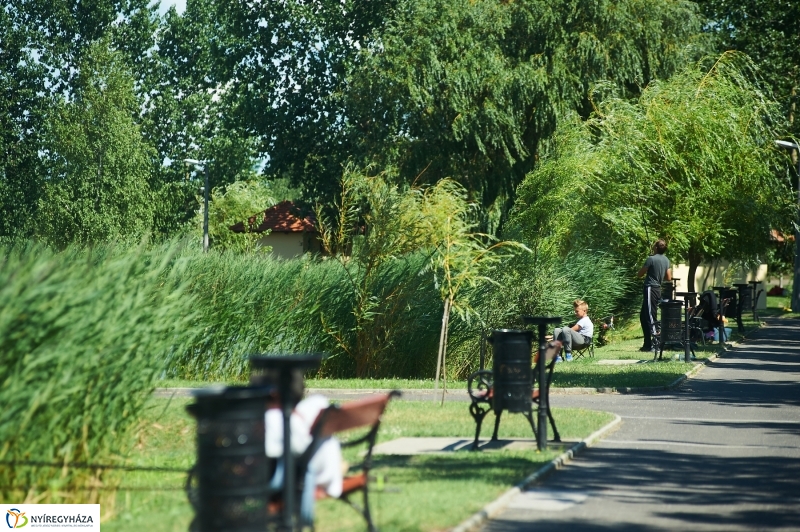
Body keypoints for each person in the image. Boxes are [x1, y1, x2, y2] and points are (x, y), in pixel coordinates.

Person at [637, 239, 671, 352]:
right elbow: (668, 278)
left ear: (656, 247)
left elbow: (640, 274)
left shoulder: (651, 259)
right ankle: (647, 344)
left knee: (651, 316)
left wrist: (650, 265)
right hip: (658, 289)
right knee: (643, 316)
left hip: (650, 288)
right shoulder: (666, 260)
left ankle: (655, 344)